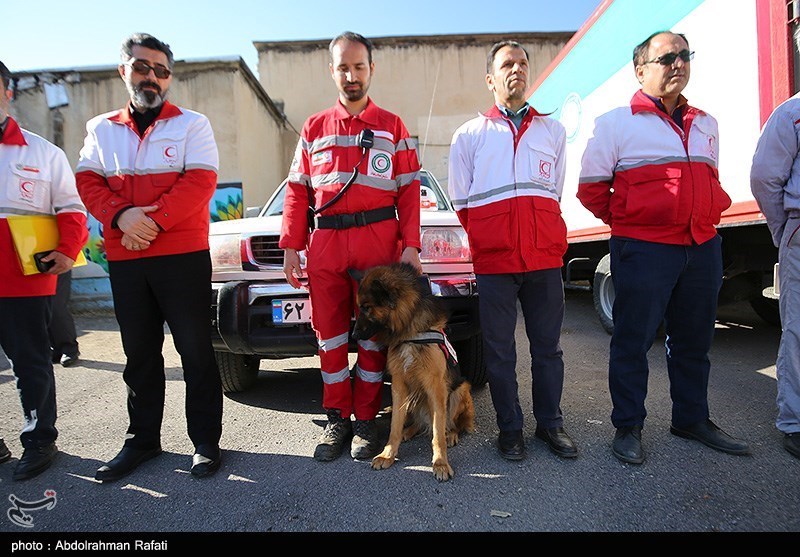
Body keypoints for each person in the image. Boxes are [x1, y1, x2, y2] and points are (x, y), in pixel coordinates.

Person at [577, 31, 750, 464]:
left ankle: (691, 419)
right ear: (640, 71)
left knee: (694, 341)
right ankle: (628, 426)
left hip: (702, 246)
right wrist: (631, 222)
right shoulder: (617, 123)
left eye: (684, 55)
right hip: (643, 249)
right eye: (666, 57)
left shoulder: (706, 122)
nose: (678, 63)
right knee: (633, 340)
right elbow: (591, 189)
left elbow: (706, 181)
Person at [76, 33, 223, 481]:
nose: (152, 77)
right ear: (124, 70)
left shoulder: (192, 124)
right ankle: (142, 441)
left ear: (169, 78)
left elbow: (199, 183)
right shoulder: (101, 129)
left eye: (161, 70)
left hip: (182, 257)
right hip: (126, 259)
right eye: (143, 67)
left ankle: (205, 443)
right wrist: (120, 217)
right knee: (139, 353)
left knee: (195, 350)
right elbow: (88, 182)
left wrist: (149, 222)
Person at [280, 31, 422, 462]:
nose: (352, 75)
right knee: (330, 337)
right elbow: (297, 190)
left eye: (359, 67)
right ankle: (337, 418)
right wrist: (290, 244)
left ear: (371, 69)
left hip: (377, 245)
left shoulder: (393, 126)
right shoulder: (313, 127)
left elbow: (410, 191)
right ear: (333, 71)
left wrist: (411, 245)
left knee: (374, 337)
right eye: (343, 67)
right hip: (325, 245)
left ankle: (365, 420)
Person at [448, 41, 577, 461]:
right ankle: (510, 429)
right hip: (495, 263)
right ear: (491, 80)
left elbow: (553, 193)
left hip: (543, 260)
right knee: (500, 352)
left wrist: (538, 235)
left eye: (523, 63)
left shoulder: (552, 131)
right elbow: (461, 203)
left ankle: (550, 426)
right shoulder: (469, 135)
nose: (516, 69)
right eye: (507, 64)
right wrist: (491, 239)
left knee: (548, 350)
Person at [0, 60, 88, 480]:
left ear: (8, 92)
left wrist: (68, 251)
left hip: (25, 278)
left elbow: (72, 210)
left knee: (30, 363)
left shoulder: (42, 152)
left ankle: (39, 440)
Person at [749, 28, 800, 461]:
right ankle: (796, 421)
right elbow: (765, 179)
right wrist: (785, 232)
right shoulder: (793, 114)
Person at [49, 270, 80, 367]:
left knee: (56, 305)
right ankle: (54, 348)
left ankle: (69, 347)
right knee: (41, 307)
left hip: (56, 260)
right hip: (28, 263)